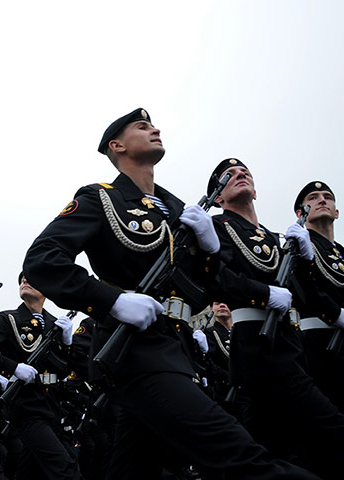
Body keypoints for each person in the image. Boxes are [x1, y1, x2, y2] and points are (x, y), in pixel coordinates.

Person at [23, 108, 318, 479]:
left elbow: (215, 285)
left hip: (177, 348)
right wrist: (111, 300)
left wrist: (210, 252)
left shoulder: (179, 209)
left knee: (135, 470)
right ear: (117, 146)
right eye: (142, 127)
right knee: (240, 456)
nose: (155, 129)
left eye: (154, 125)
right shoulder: (101, 198)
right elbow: (43, 260)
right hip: (135, 350)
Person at [209, 159, 344, 479]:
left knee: (281, 444)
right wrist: (262, 294)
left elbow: (299, 291)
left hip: (288, 342)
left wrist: (306, 262)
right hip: (256, 342)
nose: (240, 175)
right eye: (229, 176)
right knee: (327, 428)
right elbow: (214, 278)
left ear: (255, 190)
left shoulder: (274, 238)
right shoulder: (216, 228)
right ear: (218, 197)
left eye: (246, 173)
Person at [0, 273, 80, 480]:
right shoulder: (9, 319)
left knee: (31, 471)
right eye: (22, 279)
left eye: (31, 278)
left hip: (53, 406)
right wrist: (12, 367)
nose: (25, 280)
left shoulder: (56, 325)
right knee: (65, 467)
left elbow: (67, 370)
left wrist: (68, 344)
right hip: (27, 407)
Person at [290, 181, 344, 412]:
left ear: (336, 212)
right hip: (319, 344)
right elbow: (301, 288)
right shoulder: (299, 244)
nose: (322, 200)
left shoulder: (341, 252)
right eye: (312, 198)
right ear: (301, 213)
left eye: (327, 197)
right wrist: (336, 314)